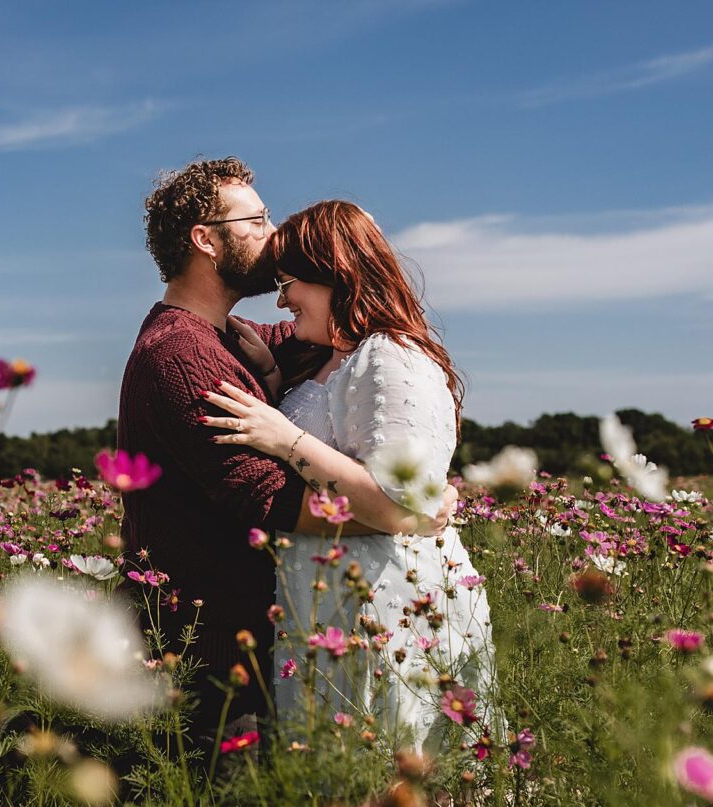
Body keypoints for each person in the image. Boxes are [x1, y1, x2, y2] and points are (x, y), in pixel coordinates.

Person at [118, 159, 453, 754]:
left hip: (259, 633)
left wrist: (350, 247)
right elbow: (272, 499)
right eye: (258, 218)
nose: (273, 234)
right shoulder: (180, 354)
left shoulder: (228, 337)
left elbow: (334, 326)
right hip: (210, 646)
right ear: (205, 239)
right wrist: (402, 515)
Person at [199, 200, 495, 754]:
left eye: (289, 283)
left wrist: (281, 437)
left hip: (389, 610)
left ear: (335, 273)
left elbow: (392, 505)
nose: (282, 299)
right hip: (329, 608)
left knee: (391, 786)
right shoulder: (335, 356)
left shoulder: (391, 357)